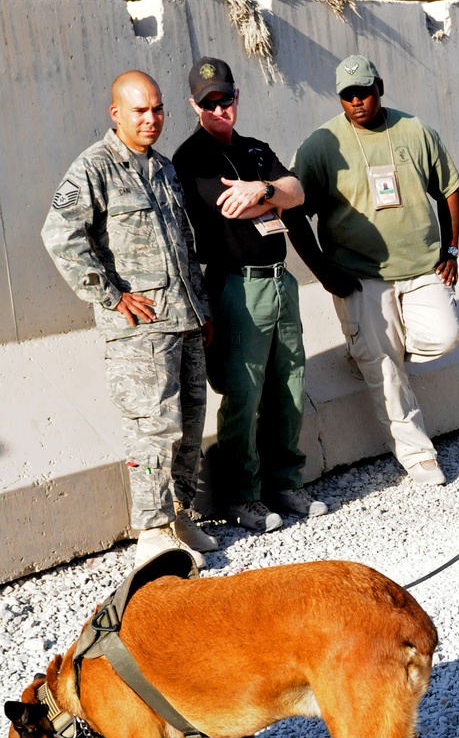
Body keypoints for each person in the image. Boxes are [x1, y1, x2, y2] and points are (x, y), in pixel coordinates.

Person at [42, 71, 213, 568]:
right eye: (140, 110)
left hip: (183, 320)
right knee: (152, 429)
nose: (151, 119)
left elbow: (183, 246)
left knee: (187, 426)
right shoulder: (94, 168)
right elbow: (60, 236)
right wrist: (112, 297)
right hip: (140, 331)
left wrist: (200, 310)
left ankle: (179, 516)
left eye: (157, 109)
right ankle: (152, 530)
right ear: (116, 113)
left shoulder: (163, 169)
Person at [287, 55, 459, 486]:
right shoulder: (322, 145)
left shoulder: (414, 130)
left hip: (421, 266)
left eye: (363, 92)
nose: (356, 102)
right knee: (382, 368)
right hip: (358, 274)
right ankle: (419, 456)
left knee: (445, 336)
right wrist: (323, 272)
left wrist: (451, 248)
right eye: (347, 96)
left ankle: (368, 347)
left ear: (379, 86)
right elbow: (292, 213)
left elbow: (450, 189)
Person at [172, 57, 328, 534]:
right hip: (235, 285)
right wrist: (269, 195)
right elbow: (232, 210)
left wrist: (263, 187)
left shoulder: (256, 149)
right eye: (209, 102)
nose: (220, 109)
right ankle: (243, 495)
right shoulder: (190, 158)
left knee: (290, 385)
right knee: (244, 393)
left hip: (280, 280)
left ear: (237, 96)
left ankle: (285, 482)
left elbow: (297, 191)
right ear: (194, 105)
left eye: (226, 98)